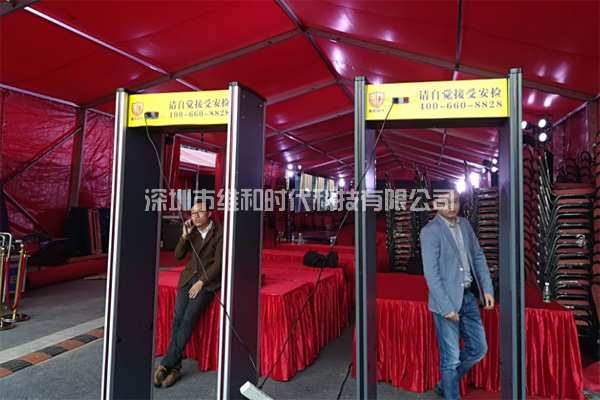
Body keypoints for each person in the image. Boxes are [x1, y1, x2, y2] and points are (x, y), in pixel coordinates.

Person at [420, 180, 495, 399]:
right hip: (447, 302)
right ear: (435, 204)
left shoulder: (465, 225)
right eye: (445, 202)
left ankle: (445, 384)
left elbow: (478, 257)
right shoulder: (430, 232)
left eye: (455, 201)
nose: (452, 206)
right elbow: (431, 274)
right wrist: (445, 307)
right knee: (450, 359)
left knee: (479, 348)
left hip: (469, 297)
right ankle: (450, 394)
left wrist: (487, 288)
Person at [154, 201, 223, 388]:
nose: (196, 216)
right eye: (192, 213)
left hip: (206, 282)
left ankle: (166, 365)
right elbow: (178, 255)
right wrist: (184, 236)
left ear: (209, 213)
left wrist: (202, 282)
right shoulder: (191, 232)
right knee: (177, 319)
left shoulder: (220, 233)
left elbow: (219, 264)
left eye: (200, 212)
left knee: (187, 319)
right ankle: (174, 368)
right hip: (187, 279)